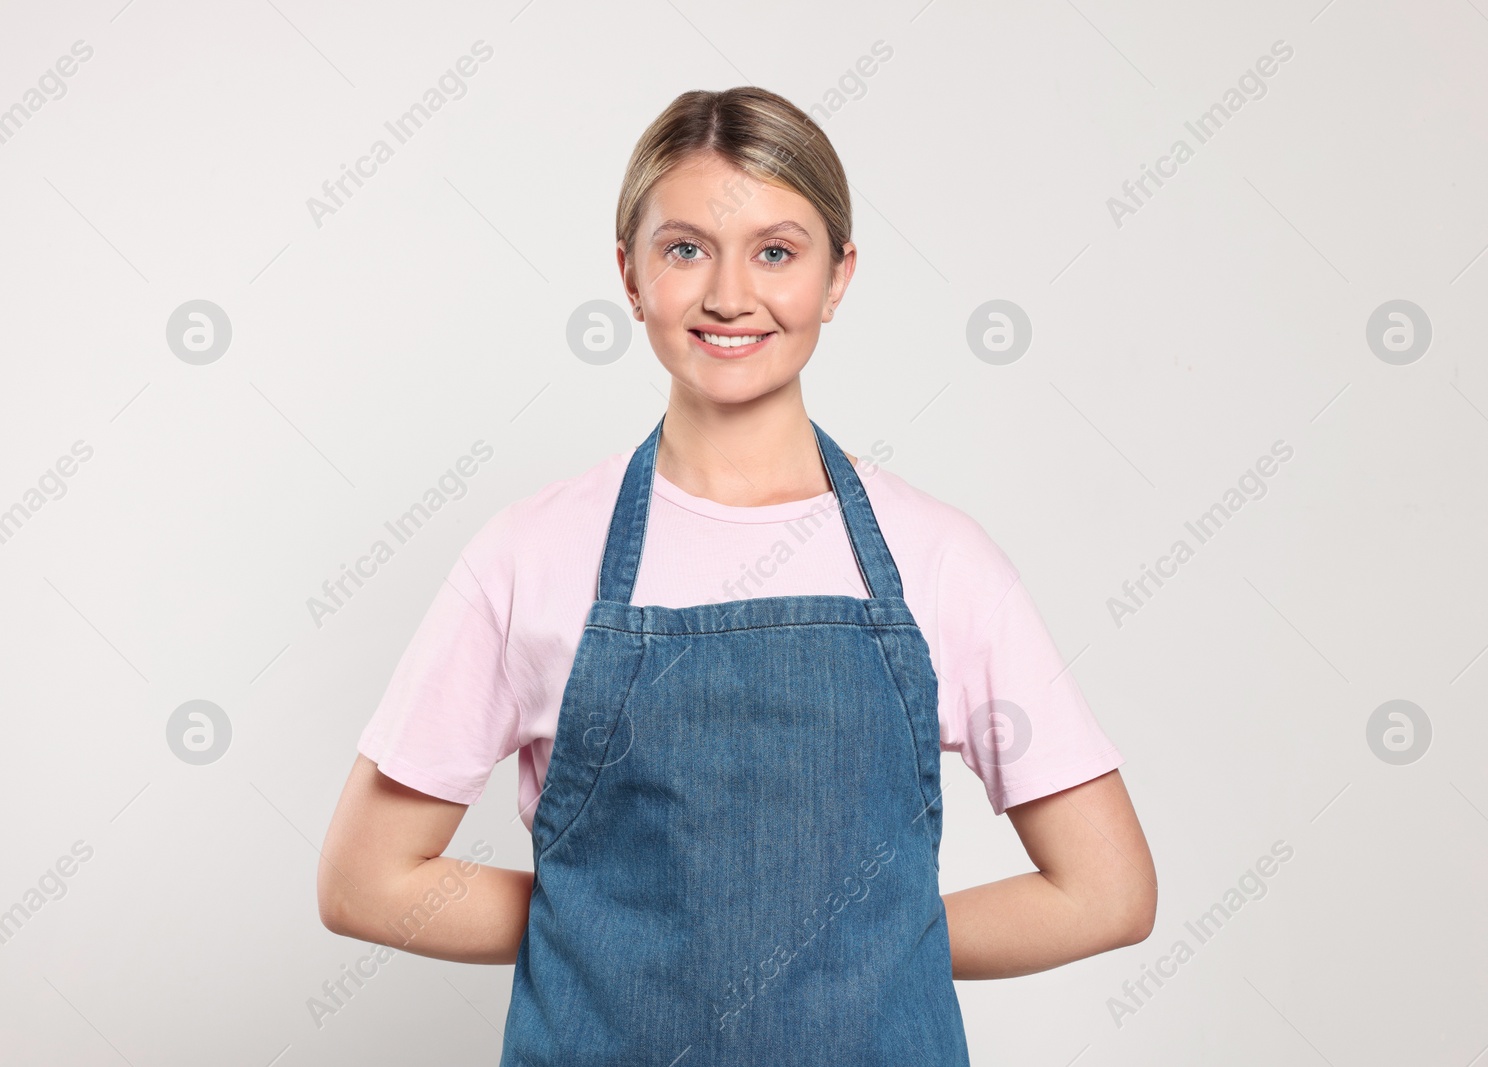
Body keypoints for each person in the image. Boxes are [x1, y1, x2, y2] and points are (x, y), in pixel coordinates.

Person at [317, 86, 1156, 1064]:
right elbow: (363, 880)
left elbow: (1107, 892)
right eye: (683, 248)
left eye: (776, 250)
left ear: (838, 276)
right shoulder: (527, 555)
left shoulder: (940, 561)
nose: (727, 293)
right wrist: (622, 933)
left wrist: (853, 942)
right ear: (629, 275)